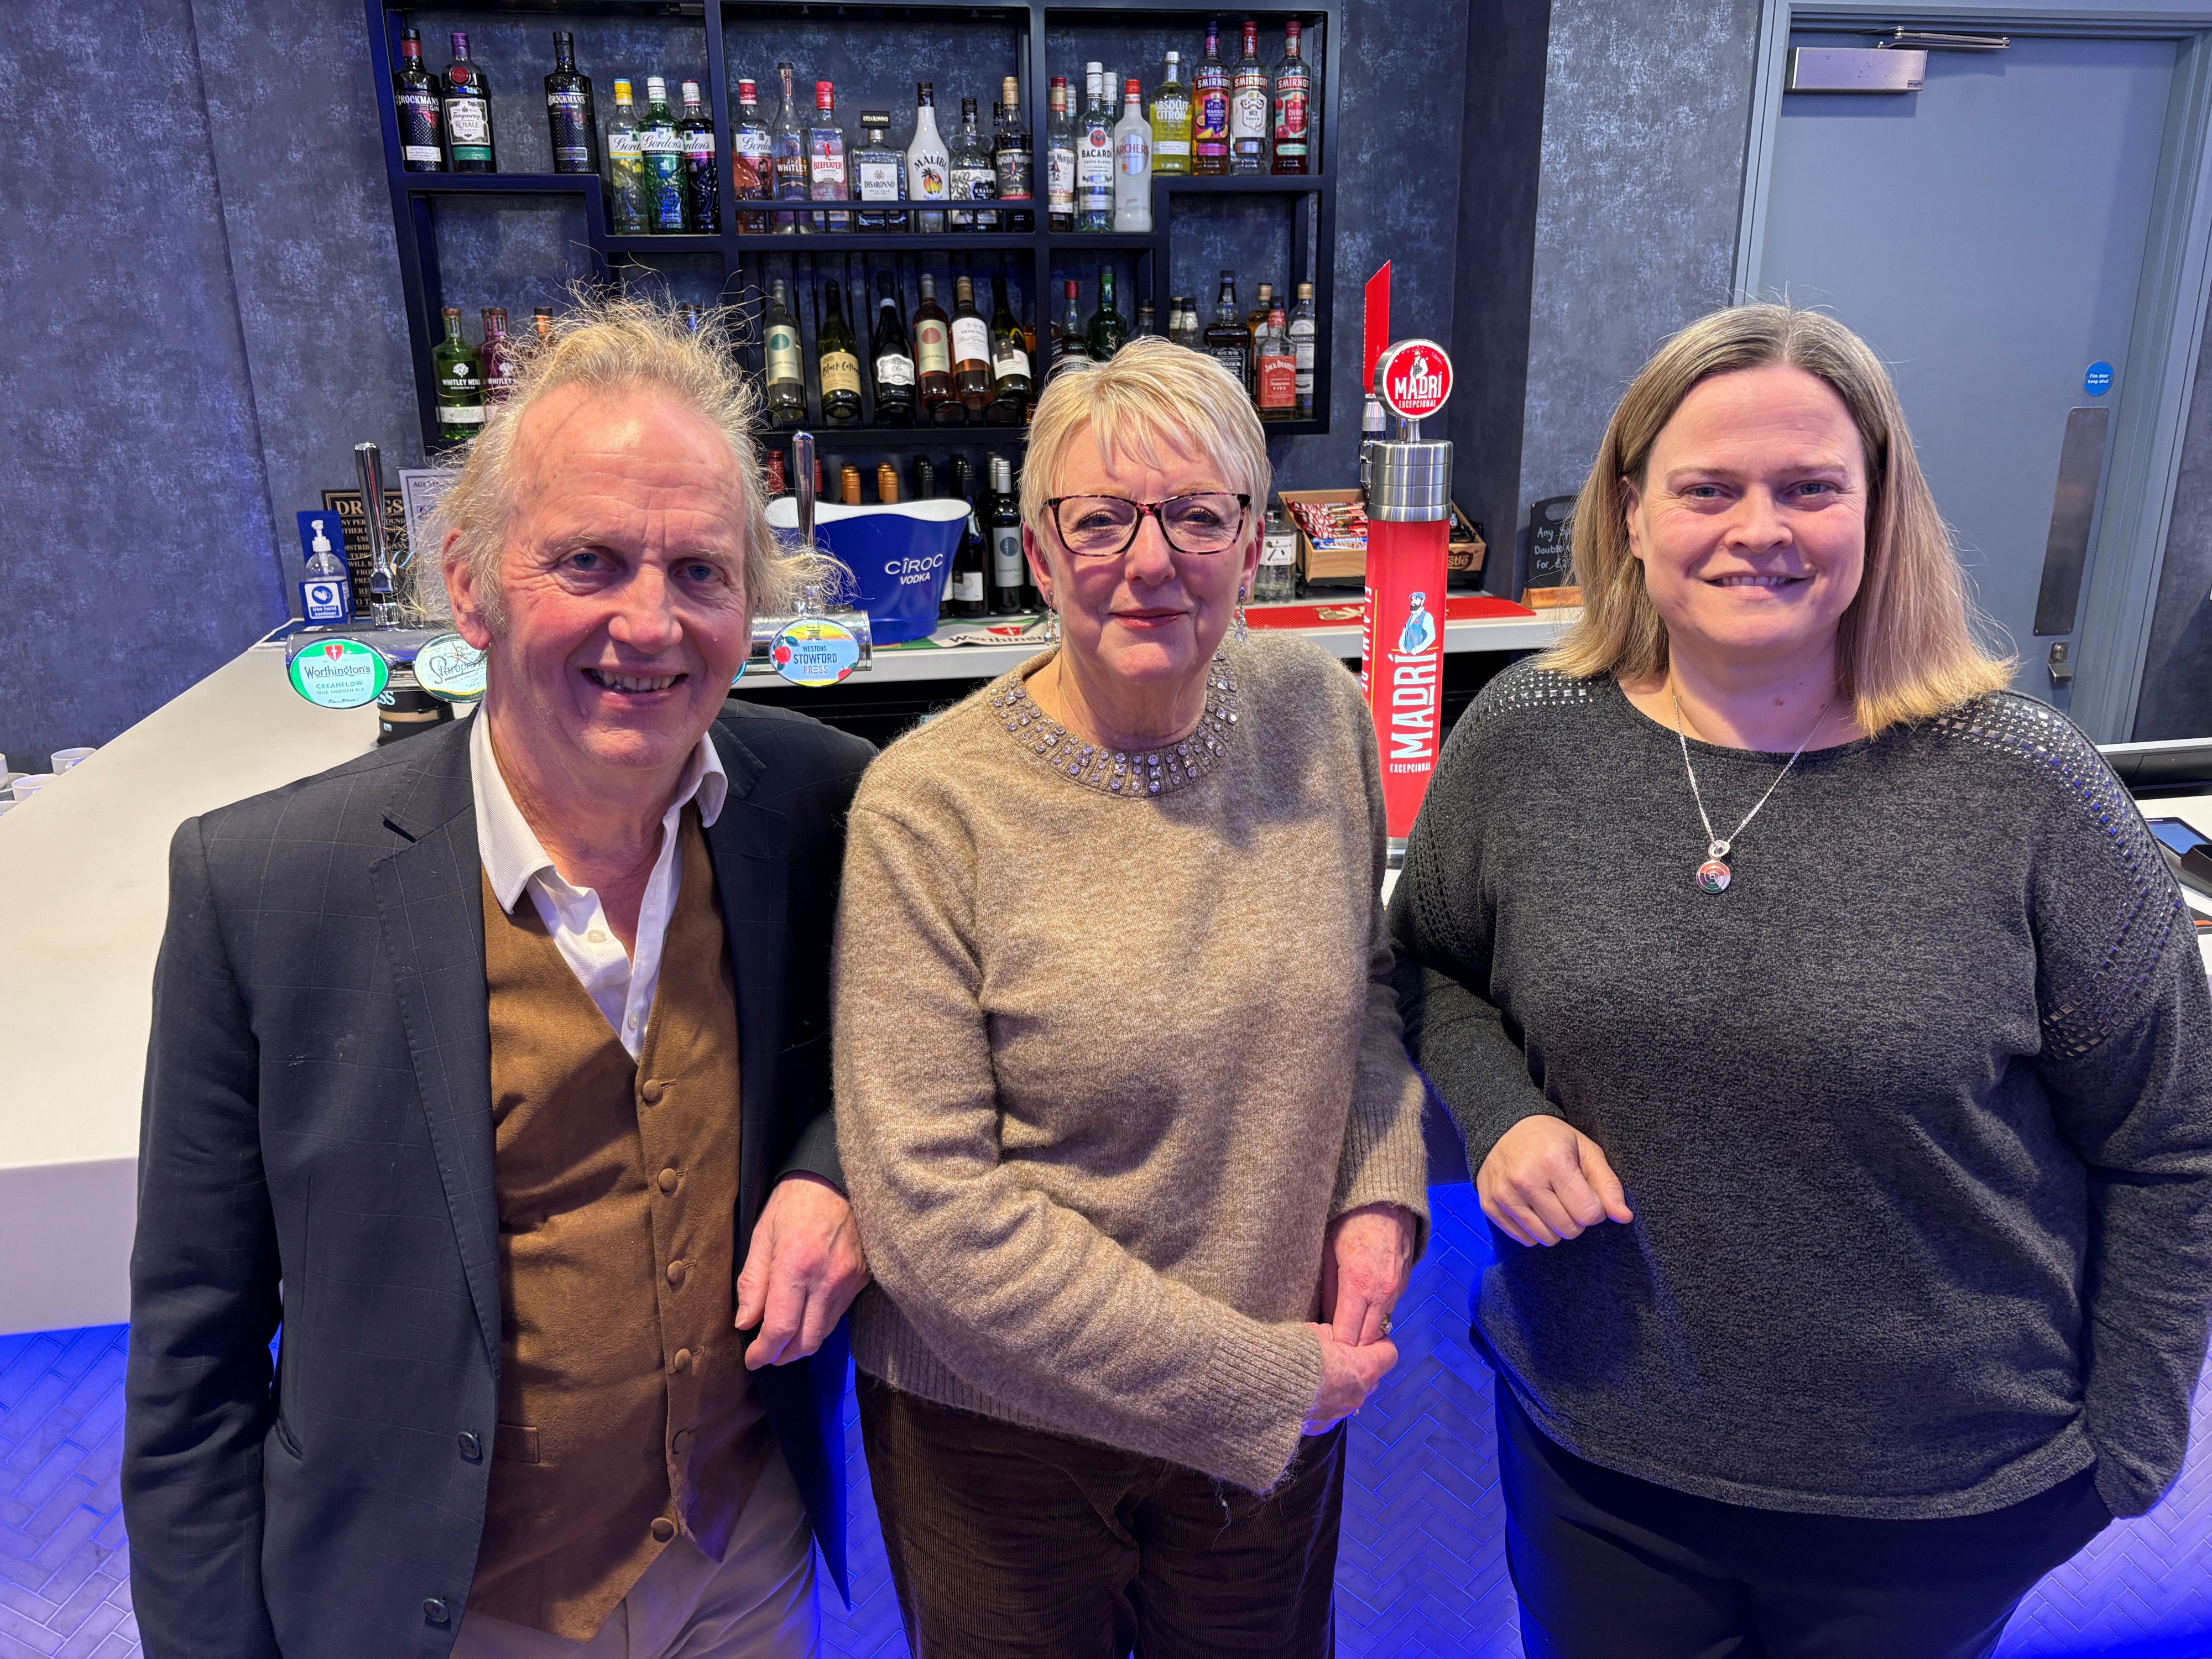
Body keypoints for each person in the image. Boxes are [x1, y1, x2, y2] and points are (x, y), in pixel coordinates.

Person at [1391, 302, 2212, 1659]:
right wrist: (1502, 1110)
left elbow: (2170, 1139)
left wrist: (2127, 1441)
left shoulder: (2024, 789)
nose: (1755, 529)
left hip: (1936, 1503)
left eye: (1809, 488)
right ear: (1630, 511)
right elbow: (1423, 967)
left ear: (1880, 513)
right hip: (1601, 1459)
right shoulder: (1527, 743)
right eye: (1706, 487)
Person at [123, 300, 875, 1659]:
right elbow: (194, 1353)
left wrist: (829, 1169)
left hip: (740, 1562)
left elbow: (890, 1057)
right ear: (467, 582)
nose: (649, 625)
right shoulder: (268, 889)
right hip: (448, 1611)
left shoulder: (818, 803)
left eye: (700, 570)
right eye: (588, 560)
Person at [832, 337, 1430, 1657]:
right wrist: (1259, 1381)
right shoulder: (928, 808)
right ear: (1039, 553)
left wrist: (1378, 1194)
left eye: (1195, 516)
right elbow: (931, 1217)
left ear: (1251, 536)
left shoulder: (1317, 718)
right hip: (1000, 1431)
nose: (1148, 561)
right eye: (1098, 520)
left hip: (1269, 1399)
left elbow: (1362, 994)